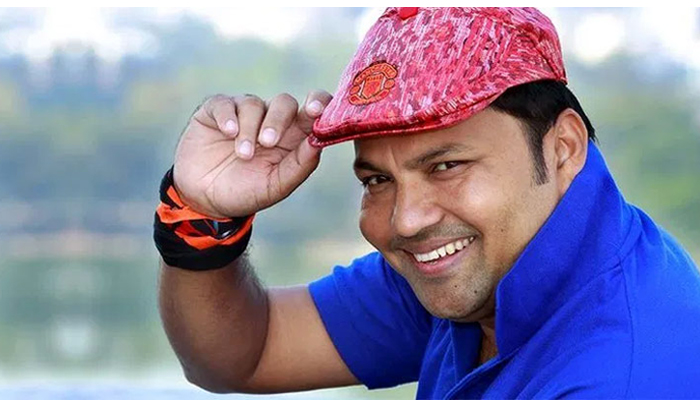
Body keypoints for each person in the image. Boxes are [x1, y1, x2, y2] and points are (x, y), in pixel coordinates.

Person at [154, 7, 700, 399]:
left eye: (446, 166)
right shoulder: (485, 261)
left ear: (563, 148)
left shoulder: (623, 375)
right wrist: (200, 213)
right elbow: (245, 356)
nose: (407, 220)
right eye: (376, 180)